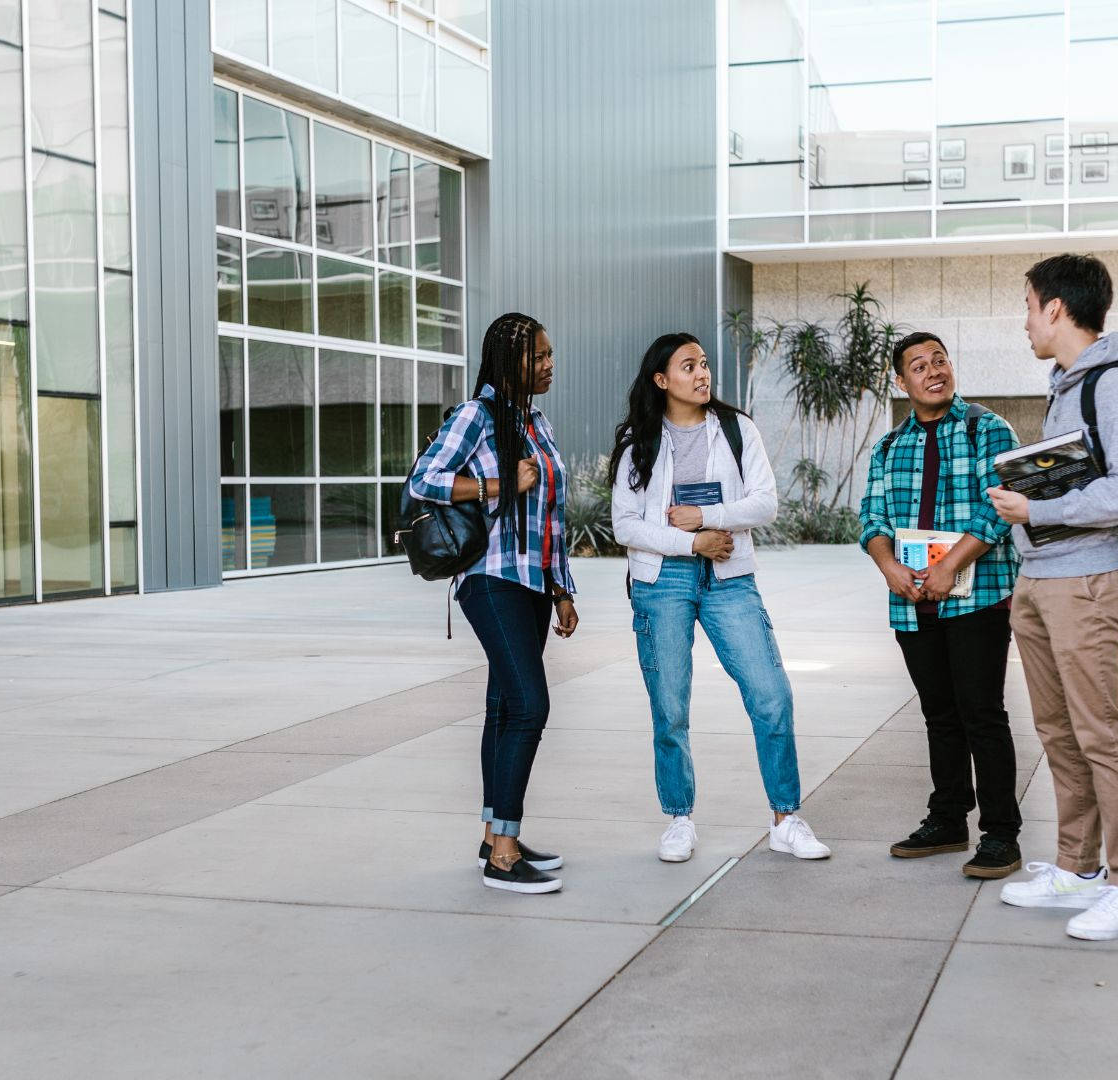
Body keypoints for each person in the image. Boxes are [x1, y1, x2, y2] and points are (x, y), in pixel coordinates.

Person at [987, 254, 1118, 940]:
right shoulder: (1067, 383)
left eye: (1028, 306)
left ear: (1056, 308)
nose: (1025, 322)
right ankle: (1078, 868)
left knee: (1101, 734)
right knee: (1058, 732)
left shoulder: (1116, 383)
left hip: (1085, 580)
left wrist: (1038, 513)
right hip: (1042, 578)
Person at [608, 332, 831, 864]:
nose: (702, 374)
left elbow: (765, 503)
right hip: (663, 582)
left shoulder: (736, 429)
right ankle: (679, 818)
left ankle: (785, 819)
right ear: (662, 380)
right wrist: (692, 542)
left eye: (704, 364)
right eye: (689, 366)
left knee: (770, 694)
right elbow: (624, 525)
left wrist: (708, 518)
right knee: (670, 706)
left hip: (729, 578)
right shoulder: (638, 440)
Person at [408, 312, 578, 895]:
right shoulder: (474, 417)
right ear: (510, 362)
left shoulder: (535, 422)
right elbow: (423, 480)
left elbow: (551, 516)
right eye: (539, 357)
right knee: (530, 706)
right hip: (490, 578)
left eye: (550, 354)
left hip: (531, 583)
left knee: (505, 709)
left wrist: (562, 589)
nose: (549, 365)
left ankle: (494, 835)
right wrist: (500, 484)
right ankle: (503, 857)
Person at [858, 331, 1024, 879]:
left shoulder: (986, 429)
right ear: (899, 381)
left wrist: (951, 563)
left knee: (983, 715)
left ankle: (1001, 834)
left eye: (941, 360)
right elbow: (872, 519)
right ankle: (949, 819)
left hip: (978, 597)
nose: (934, 371)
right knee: (939, 716)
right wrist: (889, 567)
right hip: (912, 603)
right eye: (918, 365)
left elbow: (999, 509)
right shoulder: (887, 448)